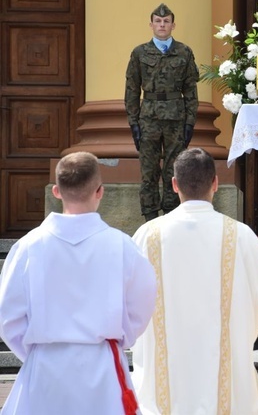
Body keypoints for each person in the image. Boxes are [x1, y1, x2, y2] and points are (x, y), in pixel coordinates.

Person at [0, 151, 157, 414]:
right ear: (100, 191)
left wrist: (39, 351)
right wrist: (118, 339)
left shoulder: (29, 246)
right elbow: (141, 305)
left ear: (56, 191)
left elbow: (9, 316)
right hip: (102, 368)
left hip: (45, 368)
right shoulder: (121, 246)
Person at [131, 147, 258, 414]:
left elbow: (131, 299)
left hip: (163, 377)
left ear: (174, 185)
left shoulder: (146, 235)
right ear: (216, 183)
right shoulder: (241, 236)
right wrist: (237, 334)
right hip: (226, 376)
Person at [125, 3, 199, 222]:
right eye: (158, 21)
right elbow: (131, 89)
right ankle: (149, 220)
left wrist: (190, 122)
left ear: (173, 25)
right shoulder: (139, 53)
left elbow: (190, 90)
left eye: (166, 21)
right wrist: (133, 123)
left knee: (173, 171)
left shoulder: (184, 52)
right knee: (148, 172)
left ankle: (170, 216)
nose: (162, 25)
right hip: (148, 119)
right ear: (151, 25)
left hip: (176, 119)